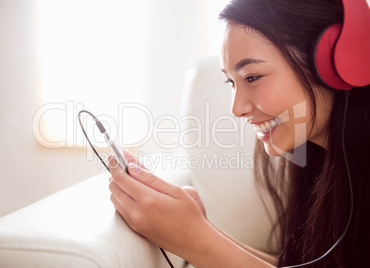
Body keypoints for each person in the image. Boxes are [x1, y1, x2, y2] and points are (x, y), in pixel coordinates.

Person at [108, 0, 370, 267]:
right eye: (231, 82)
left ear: (335, 63)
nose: (237, 109)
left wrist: (194, 239)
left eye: (252, 77)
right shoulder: (322, 163)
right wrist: (200, 229)